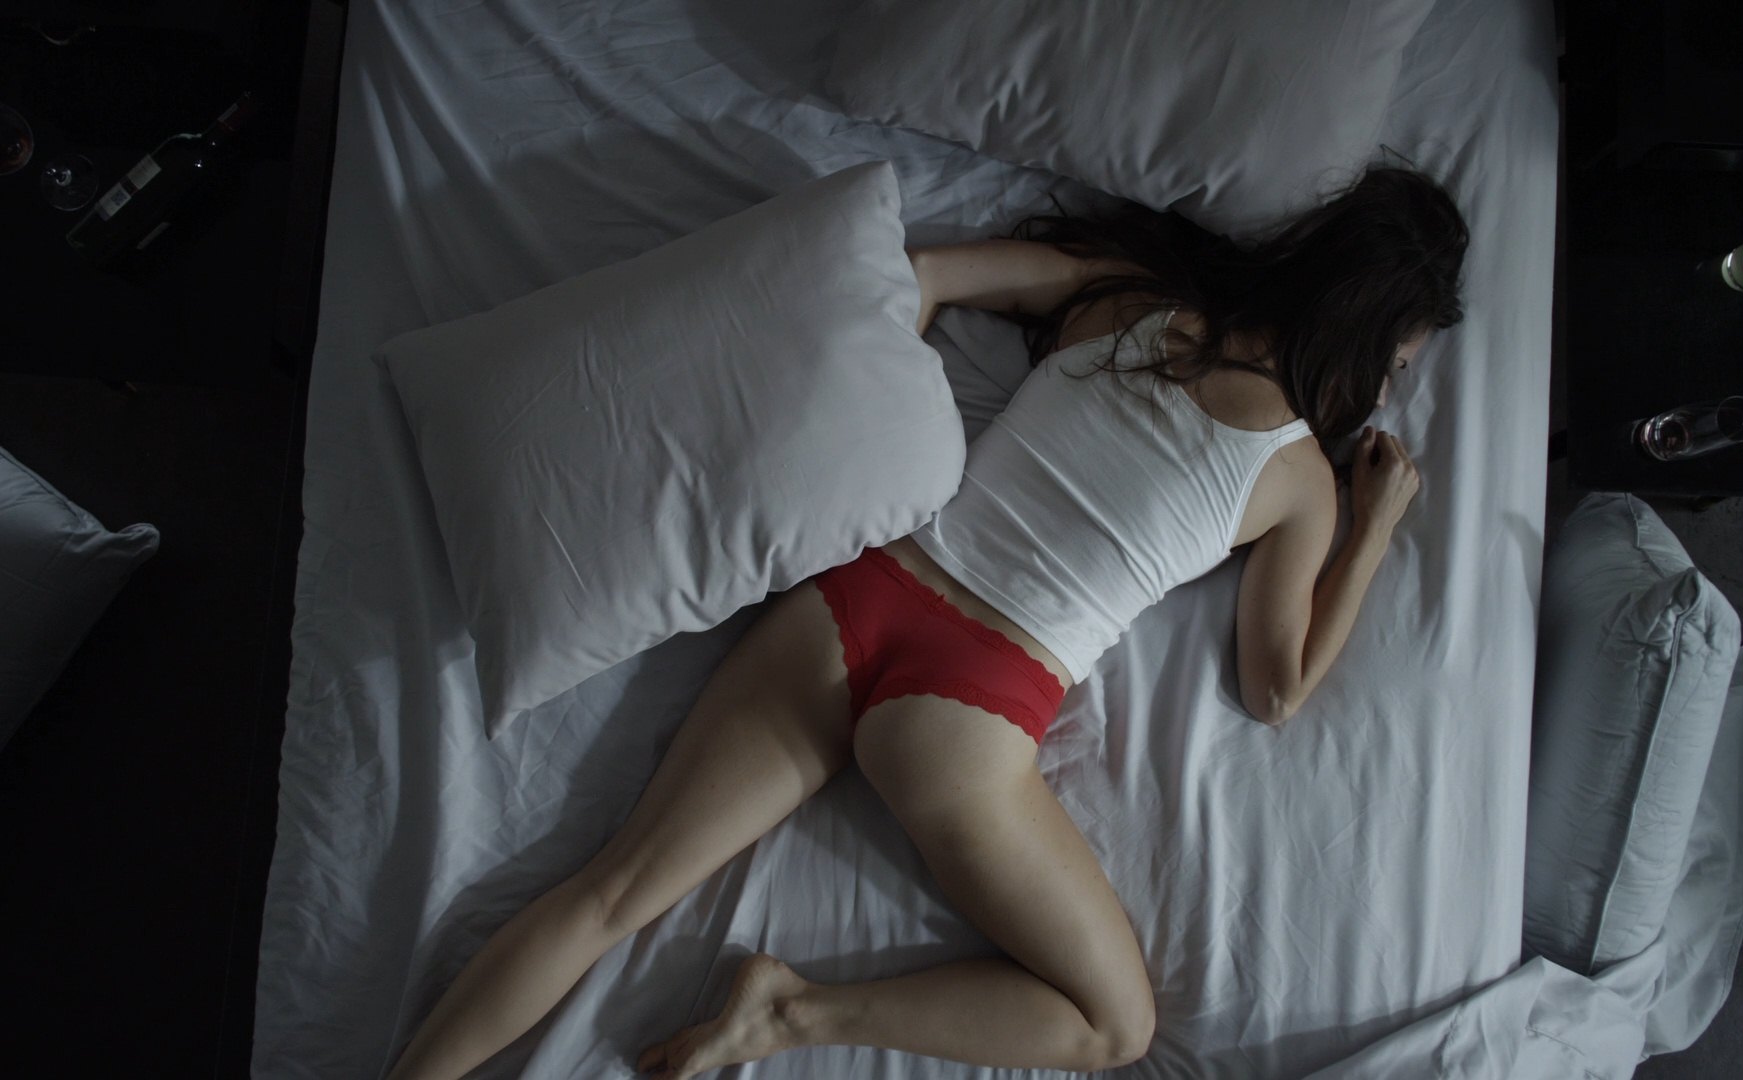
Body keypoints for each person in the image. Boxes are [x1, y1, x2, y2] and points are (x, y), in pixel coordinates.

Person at [384, 166, 1469, 1080]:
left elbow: (926, 279)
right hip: (973, 704)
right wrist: (1372, 528)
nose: (1387, 392)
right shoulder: (1298, 483)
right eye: (1398, 364)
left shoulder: (1129, 297)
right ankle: (795, 1015)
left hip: (857, 599)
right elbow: (1275, 690)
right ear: (1363, 330)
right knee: (1115, 1024)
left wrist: (867, 444)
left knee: (609, 893)